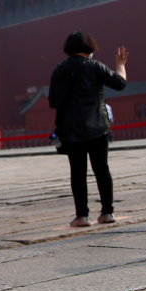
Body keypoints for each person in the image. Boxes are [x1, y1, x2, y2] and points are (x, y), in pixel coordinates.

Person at [49, 31, 128, 227]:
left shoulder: (59, 70)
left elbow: (52, 101)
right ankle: (107, 212)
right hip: (97, 127)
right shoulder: (94, 66)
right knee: (101, 169)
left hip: (71, 129)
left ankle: (82, 216)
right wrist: (120, 65)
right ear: (89, 47)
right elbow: (119, 83)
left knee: (77, 172)